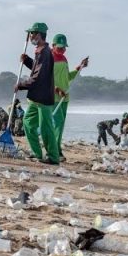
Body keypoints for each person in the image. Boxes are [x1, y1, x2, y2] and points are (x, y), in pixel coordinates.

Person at [17, 22, 58, 163]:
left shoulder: (45, 52)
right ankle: (37, 153)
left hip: (43, 97)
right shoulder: (39, 51)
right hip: (35, 97)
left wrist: (21, 85)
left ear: (39, 35)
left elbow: (38, 77)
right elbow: (35, 68)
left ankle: (53, 157)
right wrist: (27, 60)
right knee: (28, 122)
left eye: (32, 33)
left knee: (46, 128)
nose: (30, 36)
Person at [51, 33, 88, 161]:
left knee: (60, 126)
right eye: (59, 47)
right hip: (54, 97)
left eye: (64, 47)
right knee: (58, 123)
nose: (62, 50)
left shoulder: (64, 58)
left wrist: (79, 67)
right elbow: (45, 79)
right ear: (53, 45)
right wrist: (56, 89)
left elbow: (67, 77)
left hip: (65, 98)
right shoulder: (49, 57)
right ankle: (54, 151)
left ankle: (57, 149)